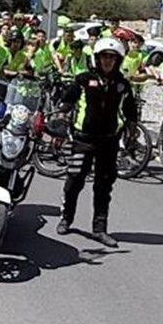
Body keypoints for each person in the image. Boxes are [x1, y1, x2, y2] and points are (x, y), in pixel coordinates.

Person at [56, 38, 139, 247]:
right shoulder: (84, 79)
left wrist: (131, 134)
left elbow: (130, 112)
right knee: (74, 181)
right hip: (83, 139)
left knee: (104, 186)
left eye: (112, 58)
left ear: (118, 60)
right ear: (97, 58)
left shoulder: (123, 84)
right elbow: (68, 100)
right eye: (104, 57)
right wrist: (61, 115)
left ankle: (100, 229)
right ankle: (66, 218)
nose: (108, 61)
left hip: (109, 141)